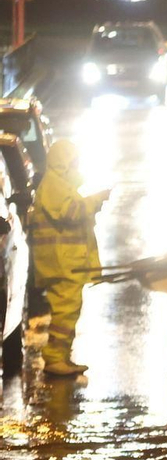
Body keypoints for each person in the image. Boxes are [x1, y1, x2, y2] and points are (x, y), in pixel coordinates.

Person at [28, 141, 108, 378]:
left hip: (66, 263)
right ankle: (54, 358)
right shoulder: (54, 185)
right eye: (73, 162)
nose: (77, 166)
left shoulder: (60, 185)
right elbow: (70, 213)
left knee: (69, 310)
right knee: (65, 311)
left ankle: (61, 356)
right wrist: (95, 201)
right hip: (60, 264)